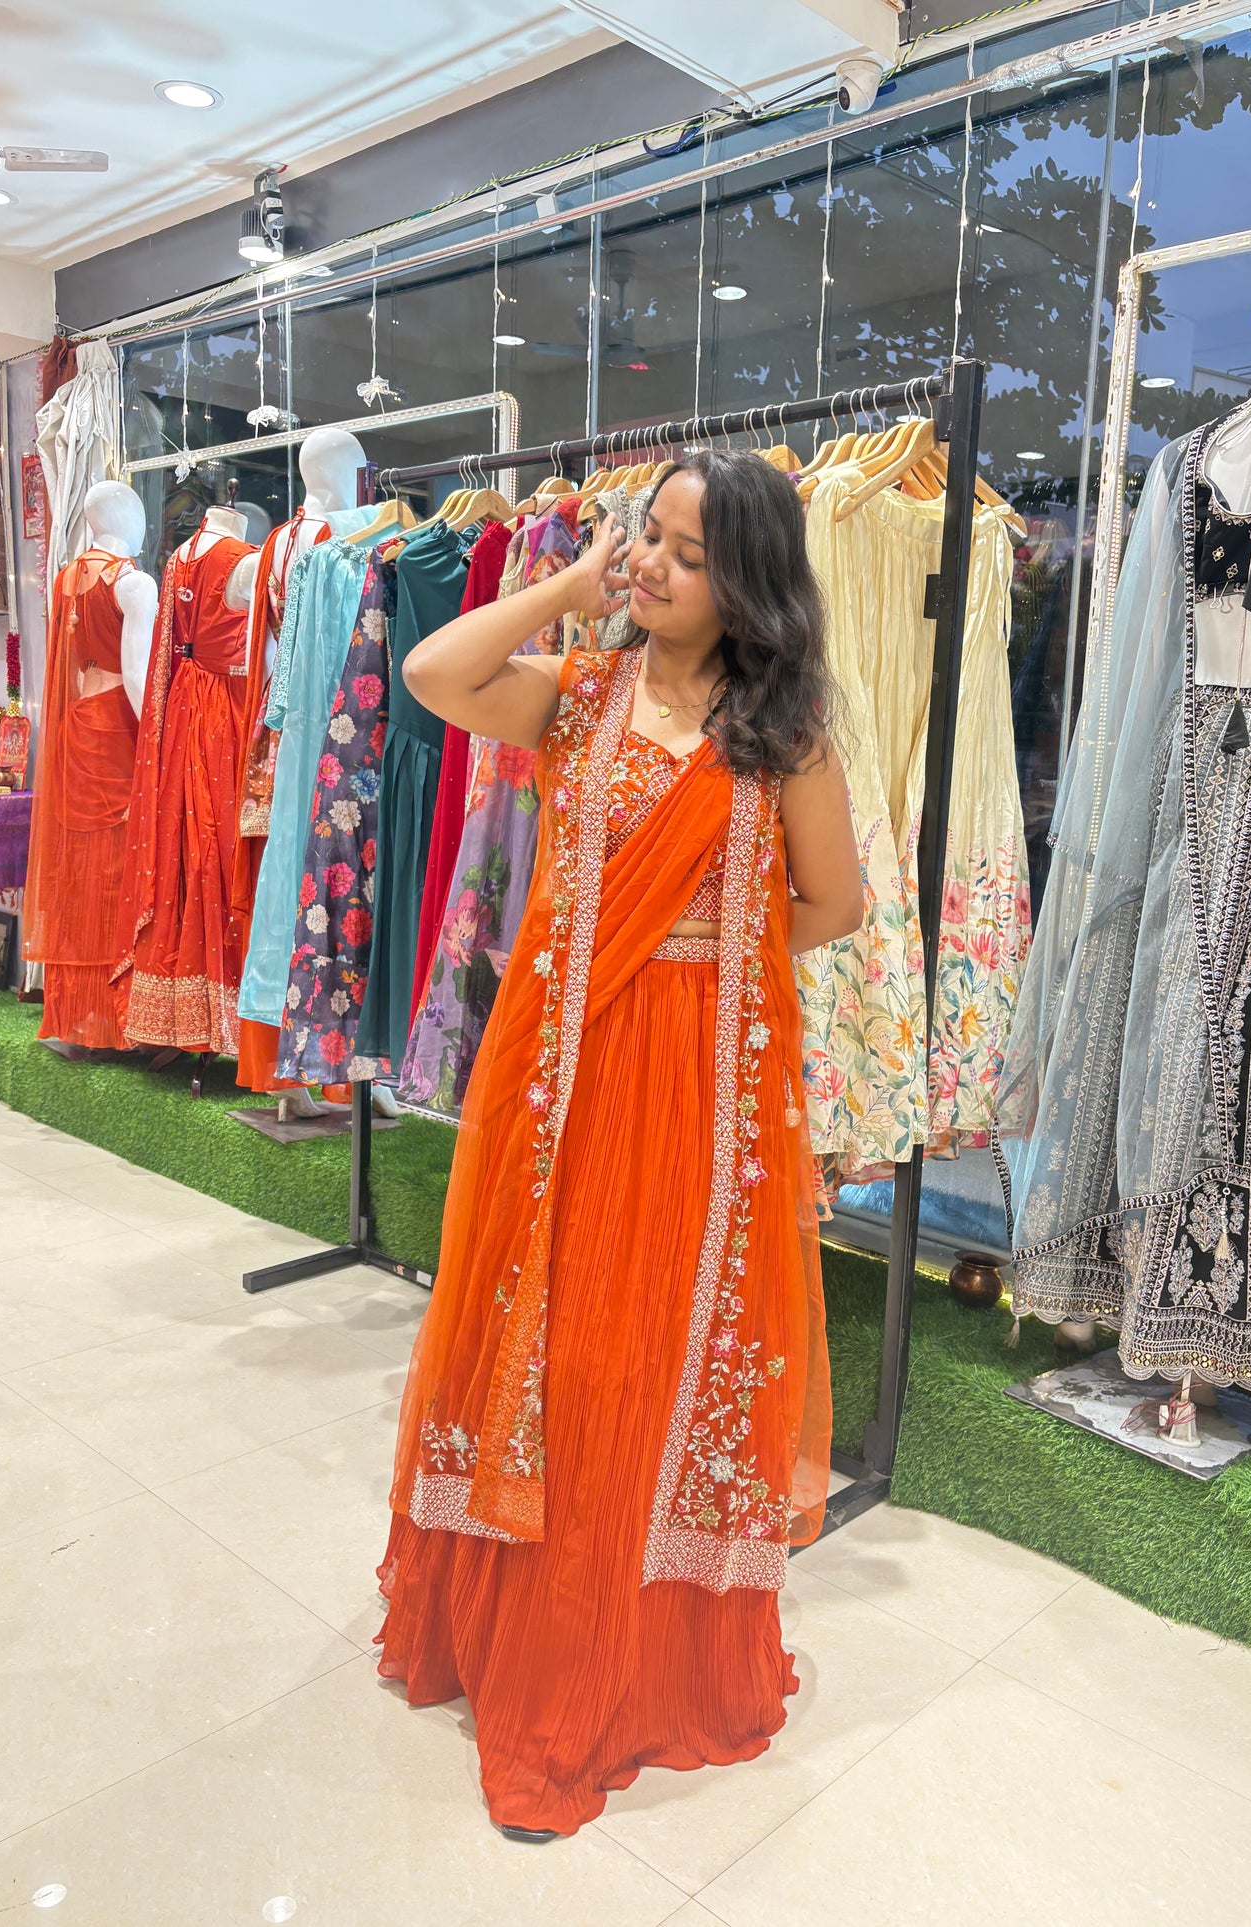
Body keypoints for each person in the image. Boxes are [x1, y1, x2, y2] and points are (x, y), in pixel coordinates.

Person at [373, 449, 863, 1838]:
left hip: (695, 1099)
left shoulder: (785, 733)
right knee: (545, 1345)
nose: (651, 561)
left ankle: (620, 1669)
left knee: (645, 1359)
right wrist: (567, 586)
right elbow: (433, 678)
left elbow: (829, 903)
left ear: (751, 584)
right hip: (556, 1079)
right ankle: (521, 1647)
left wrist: (693, 963)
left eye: (686, 551)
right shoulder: (579, 696)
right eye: (647, 536)